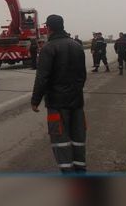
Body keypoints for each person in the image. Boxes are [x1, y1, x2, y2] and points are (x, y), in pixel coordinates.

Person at [31, 14, 87, 174]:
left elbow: (42, 77)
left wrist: (35, 100)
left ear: (48, 28)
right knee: (78, 139)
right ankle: (81, 173)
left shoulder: (48, 48)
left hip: (56, 104)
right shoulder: (77, 46)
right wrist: (75, 92)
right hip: (77, 103)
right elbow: (82, 75)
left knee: (60, 142)